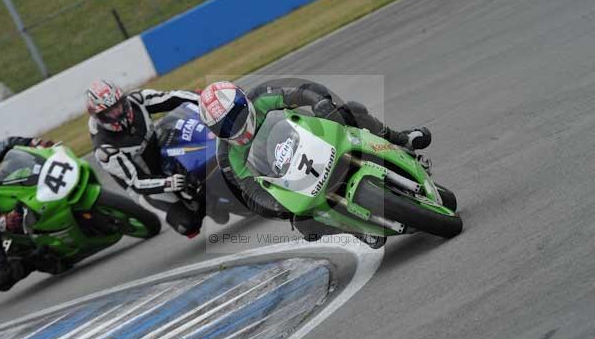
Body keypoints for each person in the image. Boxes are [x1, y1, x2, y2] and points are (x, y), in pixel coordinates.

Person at [198, 78, 432, 240]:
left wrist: (321, 104)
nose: (234, 126)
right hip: (290, 178)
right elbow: (249, 193)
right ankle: (355, 230)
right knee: (304, 225)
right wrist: (276, 205)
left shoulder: (261, 97)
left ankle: (401, 139)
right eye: (223, 126)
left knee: (351, 110)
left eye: (236, 114)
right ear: (214, 132)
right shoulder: (227, 156)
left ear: (243, 98)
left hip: (315, 136)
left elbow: (304, 91)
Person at [86, 79, 207, 237]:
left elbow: (172, 98)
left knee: (183, 122)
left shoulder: (137, 99)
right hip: (147, 186)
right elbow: (137, 182)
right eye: (111, 111)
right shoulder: (105, 149)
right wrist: (168, 183)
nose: (118, 112)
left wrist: (205, 99)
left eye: (119, 105)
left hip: (163, 151)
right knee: (188, 225)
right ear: (100, 117)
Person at [0, 137, 53, 291]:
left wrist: (32, 143)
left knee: (17, 163)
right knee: (2, 279)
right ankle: (36, 258)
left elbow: (4, 145)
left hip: (1, 190)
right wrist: (1, 222)